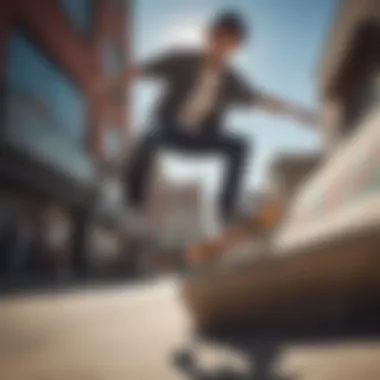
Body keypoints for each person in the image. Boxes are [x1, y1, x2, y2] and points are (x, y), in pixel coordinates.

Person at [97, 11, 318, 230]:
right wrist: (110, 83)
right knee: (149, 137)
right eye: (219, 39)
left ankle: (227, 212)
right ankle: (132, 206)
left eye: (230, 43)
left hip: (201, 138)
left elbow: (261, 100)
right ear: (209, 37)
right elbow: (141, 69)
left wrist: (299, 114)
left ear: (236, 47)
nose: (222, 48)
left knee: (240, 145)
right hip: (169, 131)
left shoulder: (231, 79)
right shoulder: (181, 60)